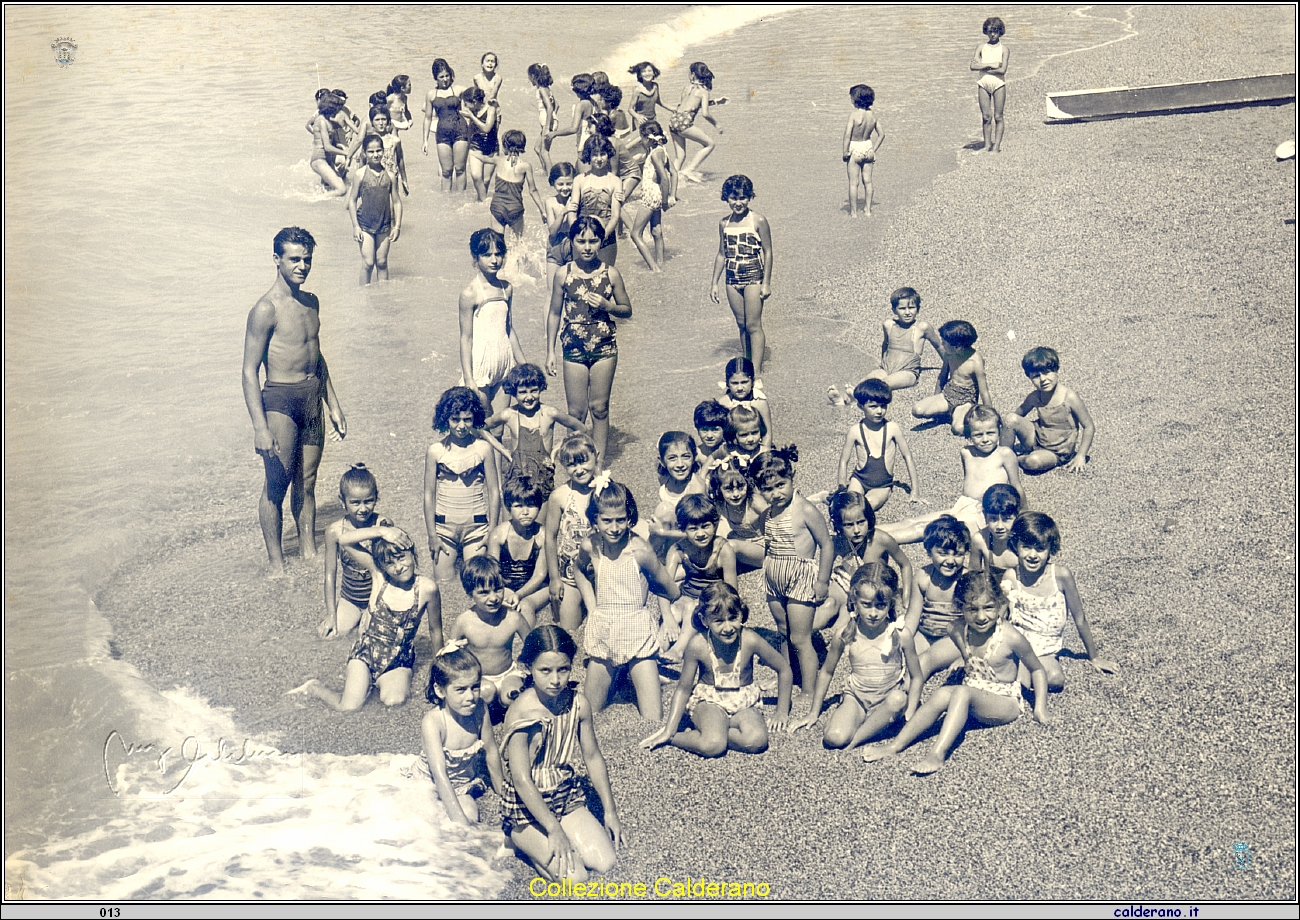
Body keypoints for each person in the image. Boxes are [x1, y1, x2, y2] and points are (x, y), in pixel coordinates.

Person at [863, 570, 1046, 773]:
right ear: (960, 607)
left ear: (1000, 604)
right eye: (972, 609)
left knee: (960, 691)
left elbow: (1037, 669)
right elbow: (971, 656)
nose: (981, 616)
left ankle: (937, 754)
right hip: (973, 694)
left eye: (988, 608)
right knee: (942, 693)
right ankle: (896, 745)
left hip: (1005, 701)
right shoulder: (957, 629)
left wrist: (1040, 708)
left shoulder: (1011, 637)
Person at [242, 228, 346, 573]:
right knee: (276, 484)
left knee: (308, 482)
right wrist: (259, 427)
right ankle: (276, 563)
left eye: (307, 259)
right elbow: (248, 371)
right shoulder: (265, 309)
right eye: (294, 259)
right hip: (280, 401)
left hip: (312, 397)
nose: (302, 266)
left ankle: (308, 553)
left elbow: (316, 356)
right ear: (277, 260)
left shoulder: (311, 302)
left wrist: (334, 404)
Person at [500, 625, 622, 882]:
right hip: (526, 808)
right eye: (545, 670)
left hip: (564, 796)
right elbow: (521, 779)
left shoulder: (578, 704)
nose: (555, 680)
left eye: (562, 669)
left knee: (605, 862)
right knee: (576, 878)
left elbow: (592, 757)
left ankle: (550, 841)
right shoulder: (521, 711)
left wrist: (609, 811)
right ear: (529, 667)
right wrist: (554, 830)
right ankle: (518, 837)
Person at [288, 536, 441, 710]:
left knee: (395, 702)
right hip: (366, 653)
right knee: (349, 708)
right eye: (390, 563)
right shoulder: (379, 577)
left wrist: (440, 670)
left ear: (413, 553)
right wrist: (382, 531)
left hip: (398, 660)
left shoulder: (427, 589)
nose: (398, 567)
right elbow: (344, 540)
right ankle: (313, 687)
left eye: (401, 558)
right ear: (382, 565)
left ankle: (376, 685)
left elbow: (435, 630)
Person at [642, 583, 791, 756]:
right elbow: (683, 689)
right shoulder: (698, 645)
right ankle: (677, 738)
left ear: (741, 614)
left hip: (744, 701)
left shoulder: (750, 640)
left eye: (733, 618)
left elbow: (784, 669)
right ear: (704, 620)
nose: (727, 628)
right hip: (709, 701)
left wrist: (781, 711)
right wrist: (669, 730)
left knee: (757, 741)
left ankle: (713, 730)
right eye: (718, 621)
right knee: (713, 745)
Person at [575, 477, 680, 719]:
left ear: (629, 517)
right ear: (595, 520)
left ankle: (632, 673)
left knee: (653, 717)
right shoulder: (591, 546)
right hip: (604, 631)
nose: (614, 528)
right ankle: (619, 676)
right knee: (589, 711)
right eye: (607, 521)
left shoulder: (641, 551)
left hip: (637, 632)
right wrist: (592, 608)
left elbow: (669, 588)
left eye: (620, 520)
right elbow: (578, 570)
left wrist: (662, 610)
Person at [791, 563, 921, 748]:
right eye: (866, 605)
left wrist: (911, 714)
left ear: (891, 603)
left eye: (881, 606)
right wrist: (814, 712)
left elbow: (916, 677)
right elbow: (827, 672)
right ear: (854, 599)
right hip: (857, 698)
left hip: (889, 699)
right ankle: (871, 725)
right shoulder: (845, 634)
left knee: (898, 700)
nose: (873, 613)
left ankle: (858, 738)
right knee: (833, 738)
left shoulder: (900, 634)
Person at [545, 217, 632, 466]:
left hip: (604, 347)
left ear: (601, 242)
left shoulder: (611, 273)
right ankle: (576, 461)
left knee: (600, 407)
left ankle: (599, 464)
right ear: (571, 241)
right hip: (573, 346)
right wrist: (550, 351)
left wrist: (608, 306)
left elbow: (627, 310)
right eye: (581, 241)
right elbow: (554, 313)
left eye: (593, 241)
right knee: (576, 412)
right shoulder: (563, 274)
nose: (587, 247)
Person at [1002, 512, 1119, 688]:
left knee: (1056, 678)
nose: (1032, 555)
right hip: (1019, 643)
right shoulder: (1012, 575)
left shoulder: (1061, 576)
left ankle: (1022, 679)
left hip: (1046, 648)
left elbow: (1079, 618)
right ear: (1015, 545)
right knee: (1019, 682)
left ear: (1050, 549)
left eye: (1040, 548)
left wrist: (1094, 657)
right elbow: (1001, 617)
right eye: (1026, 547)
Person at [751, 447, 834, 695]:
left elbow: (826, 544)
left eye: (780, 485)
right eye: (768, 489)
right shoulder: (769, 512)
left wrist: (822, 581)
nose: (776, 493)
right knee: (783, 633)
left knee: (800, 638)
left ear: (792, 477)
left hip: (800, 576)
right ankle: (787, 678)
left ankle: (808, 691)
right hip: (775, 575)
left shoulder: (804, 509)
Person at [320, 463, 411, 638]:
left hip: (378, 595)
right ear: (342, 501)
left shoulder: (383, 525)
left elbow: (394, 567)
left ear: (376, 497)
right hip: (350, 599)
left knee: (370, 635)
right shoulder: (334, 531)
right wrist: (331, 615)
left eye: (368, 501)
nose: (363, 509)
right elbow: (330, 575)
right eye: (355, 503)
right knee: (331, 635)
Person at [424, 386, 502, 587]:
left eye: (467, 420)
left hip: (476, 528)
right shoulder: (436, 451)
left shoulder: (483, 448)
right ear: (445, 419)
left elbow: (494, 492)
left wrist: (491, 531)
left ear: (474, 418)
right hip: (444, 528)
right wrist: (432, 535)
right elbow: (428, 495)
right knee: (444, 583)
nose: (461, 426)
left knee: (479, 583)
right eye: (455, 420)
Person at [419, 643, 504, 824]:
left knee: (469, 818)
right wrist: (459, 819)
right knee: (425, 822)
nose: (470, 697)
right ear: (440, 690)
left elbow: (491, 752)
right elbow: (439, 773)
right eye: (460, 689)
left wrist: (503, 793)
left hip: (461, 786)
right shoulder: (434, 722)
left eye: (475, 687)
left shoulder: (480, 709)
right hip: (428, 784)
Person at [819, 487, 913, 631]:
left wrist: (906, 598)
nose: (856, 530)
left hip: (873, 587)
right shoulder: (838, 542)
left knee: (843, 627)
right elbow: (825, 572)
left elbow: (905, 564)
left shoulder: (881, 540)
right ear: (839, 525)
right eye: (849, 525)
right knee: (828, 605)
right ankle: (797, 636)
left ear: (869, 519)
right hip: (844, 582)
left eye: (861, 522)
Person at [486, 362, 586, 495]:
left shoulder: (550, 413)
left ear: (541, 388)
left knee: (543, 514)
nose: (529, 397)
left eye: (534, 391)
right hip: (516, 479)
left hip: (543, 478)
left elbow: (580, 428)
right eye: (522, 392)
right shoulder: (509, 415)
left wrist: (557, 449)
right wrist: (503, 450)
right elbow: (481, 427)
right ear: (514, 393)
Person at [661, 495, 738, 662]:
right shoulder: (678, 550)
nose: (701, 533)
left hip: (713, 599)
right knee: (675, 610)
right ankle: (656, 653)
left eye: (705, 526)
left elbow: (732, 591)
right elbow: (664, 586)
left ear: (715, 524)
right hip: (687, 595)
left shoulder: (723, 550)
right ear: (683, 529)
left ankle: (678, 649)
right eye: (693, 528)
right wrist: (667, 616)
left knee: (691, 607)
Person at [448, 556, 532, 707]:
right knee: (486, 692)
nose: (493, 598)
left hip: (508, 673)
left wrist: (527, 666)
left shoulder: (513, 618)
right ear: (469, 593)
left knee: (513, 696)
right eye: (484, 592)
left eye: (498, 589)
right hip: (478, 678)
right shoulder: (464, 622)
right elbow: (450, 657)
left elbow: (533, 645)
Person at [459, 228, 526, 414]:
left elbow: (509, 329)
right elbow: (466, 338)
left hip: (504, 361)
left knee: (498, 426)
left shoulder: (507, 288)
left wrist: (523, 364)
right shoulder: (469, 293)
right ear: (475, 257)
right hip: (480, 364)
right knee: (482, 425)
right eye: (487, 255)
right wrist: (468, 378)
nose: (494, 260)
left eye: (498, 254)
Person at [710, 175, 773, 374]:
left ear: (750, 197)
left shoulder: (758, 220)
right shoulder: (724, 224)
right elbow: (721, 254)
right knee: (742, 324)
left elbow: (768, 252)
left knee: (754, 325)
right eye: (733, 198)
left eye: (743, 198)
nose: (738, 203)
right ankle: (747, 367)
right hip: (732, 279)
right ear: (726, 198)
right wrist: (714, 283)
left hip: (754, 277)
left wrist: (766, 283)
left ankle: (757, 371)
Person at [1005, 346, 1095, 473]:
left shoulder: (1069, 397)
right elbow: (1016, 416)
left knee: (1033, 462)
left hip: (1057, 451)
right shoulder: (1035, 396)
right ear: (1029, 377)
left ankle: (1015, 459)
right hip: (1036, 437)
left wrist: (1080, 455)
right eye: (1036, 376)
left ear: (1056, 370)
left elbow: (1089, 426)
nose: (1043, 379)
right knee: (1010, 419)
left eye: (1047, 373)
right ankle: (1003, 455)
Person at [544, 433, 600, 633]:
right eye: (571, 465)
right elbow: (549, 538)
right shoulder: (559, 496)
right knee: (568, 629)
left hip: (602, 572)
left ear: (596, 456)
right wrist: (554, 578)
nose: (579, 469)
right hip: (570, 574)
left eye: (584, 461)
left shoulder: (605, 489)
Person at [837, 378, 919, 511]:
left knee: (868, 506)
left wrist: (915, 491)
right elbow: (843, 461)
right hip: (859, 479)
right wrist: (841, 488)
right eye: (873, 406)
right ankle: (824, 497)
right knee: (850, 506)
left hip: (883, 485)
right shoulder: (855, 431)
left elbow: (908, 457)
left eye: (883, 406)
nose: (879, 411)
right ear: (860, 406)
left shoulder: (892, 429)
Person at [903, 515, 972, 653]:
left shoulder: (967, 579)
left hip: (953, 638)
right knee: (905, 650)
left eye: (958, 554)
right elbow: (912, 617)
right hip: (925, 633)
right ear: (929, 552)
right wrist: (904, 638)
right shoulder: (923, 577)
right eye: (943, 553)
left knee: (927, 660)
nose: (951, 561)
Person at [488, 473, 550, 627]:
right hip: (506, 585)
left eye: (531, 505)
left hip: (536, 587)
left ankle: (527, 644)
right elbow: (493, 572)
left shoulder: (543, 536)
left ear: (540, 506)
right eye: (518, 506)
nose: (525, 511)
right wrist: (506, 592)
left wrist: (519, 594)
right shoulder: (498, 535)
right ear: (509, 508)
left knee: (526, 605)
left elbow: (540, 575)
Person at [910, 320, 991, 436]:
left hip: (965, 400)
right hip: (948, 394)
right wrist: (936, 397)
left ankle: (964, 416)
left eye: (944, 342)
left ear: (957, 347)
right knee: (917, 410)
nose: (941, 344)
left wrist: (989, 418)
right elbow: (942, 377)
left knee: (958, 429)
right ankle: (947, 414)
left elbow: (984, 392)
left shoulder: (975, 361)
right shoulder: (949, 354)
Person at [863, 286, 942, 394]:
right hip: (886, 368)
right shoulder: (889, 325)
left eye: (911, 307)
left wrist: (950, 366)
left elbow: (939, 346)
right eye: (902, 308)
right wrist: (882, 364)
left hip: (908, 372)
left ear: (918, 309)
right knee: (866, 382)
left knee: (883, 384)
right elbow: (885, 345)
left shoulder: (922, 327)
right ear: (894, 310)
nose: (907, 312)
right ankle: (844, 400)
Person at [347, 134, 402, 285]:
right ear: (364, 153)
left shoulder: (390, 176)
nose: (375, 154)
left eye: (378, 150)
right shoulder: (360, 175)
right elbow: (351, 201)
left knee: (382, 262)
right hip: (364, 224)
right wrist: (355, 226)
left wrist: (397, 226)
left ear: (383, 151)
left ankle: (383, 297)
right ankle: (363, 295)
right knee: (368, 263)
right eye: (371, 152)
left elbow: (397, 202)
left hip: (384, 224)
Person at [625, 120, 677, 272]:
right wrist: (671, 195)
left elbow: (665, 177)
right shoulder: (662, 151)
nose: (641, 141)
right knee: (656, 231)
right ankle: (660, 264)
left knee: (635, 234)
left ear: (647, 139)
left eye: (641, 138)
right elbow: (674, 173)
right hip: (658, 194)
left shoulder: (654, 154)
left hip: (651, 195)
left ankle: (654, 268)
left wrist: (667, 201)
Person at [647, 431, 708, 560]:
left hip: (695, 545)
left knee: (664, 510)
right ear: (662, 461)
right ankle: (648, 557)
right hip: (672, 540)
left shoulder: (696, 488)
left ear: (694, 457)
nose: (680, 464)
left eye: (686, 456)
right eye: (672, 458)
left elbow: (698, 532)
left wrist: (662, 533)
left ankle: (647, 560)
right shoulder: (665, 478)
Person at [569, 137, 623, 265]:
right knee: (581, 276)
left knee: (604, 277)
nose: (599, 159)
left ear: (608, 154)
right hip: (582, 236)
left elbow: (615, 216)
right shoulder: (580, 180)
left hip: (606, 237)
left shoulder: (615, 181)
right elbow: (572, 211)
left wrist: (601, 237)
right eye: (594, 155)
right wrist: (576, 234)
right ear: (588, 155)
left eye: (603, 154)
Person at [708, 462, 766, 573]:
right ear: (719, 488)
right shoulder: (720, 505)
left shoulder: (754, 502)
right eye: (728, 489)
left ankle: (705, 572)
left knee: (729, 546)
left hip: (762, 549)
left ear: (747, 483)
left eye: (740, 487)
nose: (736, 494)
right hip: (741, 544)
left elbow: (779, 522)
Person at [423, 58, 470, 192]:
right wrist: (425, 141)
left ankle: (462, 200)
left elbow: (476, 96)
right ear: (435, 78)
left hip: (460, 130)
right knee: (446, 171)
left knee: (460, 169)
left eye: (447, 76)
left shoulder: (459, 89)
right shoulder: (431, 94)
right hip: (442, 133)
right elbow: (427, 118)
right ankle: (446, 203)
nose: (445, 79)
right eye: (441, 77)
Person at [489, 130, 547, 237]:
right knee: (518, 244)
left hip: (498, 206)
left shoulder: (498, 160)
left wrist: (472, 151)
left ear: (505, 146)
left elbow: (482, 158)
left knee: (497, 242)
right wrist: (543, 211)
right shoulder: (525, 166)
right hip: (515, 208)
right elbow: (533, 191)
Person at [670, 62, 721, 181]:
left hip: (674, 121)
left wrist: (716, 102)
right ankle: (690, 170)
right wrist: (716, 124)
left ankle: (672, 181)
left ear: (693, 74)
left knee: (680, 157)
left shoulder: (686, 88)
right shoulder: (704, 91)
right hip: (685, 123)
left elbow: (690, 104)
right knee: (710, 144)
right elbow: (705, 113)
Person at [842, 84, 884, 217]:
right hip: (868, 147)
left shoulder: (854, 115)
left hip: (855, 148)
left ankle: (853, 213)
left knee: (854, 183)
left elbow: (847, 135)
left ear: (856, 99)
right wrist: (874, 149)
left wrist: (845, 152)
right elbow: (882, 134)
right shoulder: (873, 116)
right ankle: (868, 210)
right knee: (868, 181)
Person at [970, 16, 1010, 154]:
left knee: (998, 116)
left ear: (1000, 32)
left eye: (995, 31)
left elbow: (1002, 70)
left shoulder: (1004, 49)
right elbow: (972, 66)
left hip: (998, 84)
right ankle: (987, 145)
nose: (992, 34)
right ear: (986, 32)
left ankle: (996, 146)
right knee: (986, 117)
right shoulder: (981, 47)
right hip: (983, 83)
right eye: (990, 31)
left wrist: (983, 67)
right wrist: (991, 64)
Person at [716, 357, 772, 449]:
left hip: (757, 448)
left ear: (753, 381)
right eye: (734, 383)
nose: (740, 388)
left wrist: (764, 456)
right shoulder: (724, 402)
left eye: (744, 382)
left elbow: (767, 435)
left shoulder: (759, 402)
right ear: (727, 384)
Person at [967, 482, 1021, 576]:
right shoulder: (981, 540)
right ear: (984, 515)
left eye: (1006, 519)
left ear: (1017, 516)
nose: (1000, 526)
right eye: (993, 519)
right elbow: (973, 576)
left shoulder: (1023, 540)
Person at [462, 86, 500, 202]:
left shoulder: (491, 109)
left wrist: (472, 117)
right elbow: (470, 130)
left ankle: (480, 203)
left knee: (486, 180)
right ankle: (484, 203)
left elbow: (487, 128)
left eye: (466, 103)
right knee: (476, 176)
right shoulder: (472, 111)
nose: (465, 106)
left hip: (491, 147)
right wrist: (467, 146)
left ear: (474, 102)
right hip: (475, 147)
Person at [307, 93, 349, 196]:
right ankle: (313, 201)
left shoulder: (327, 120)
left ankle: (322, 208)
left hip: (325, 159)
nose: (339, 111)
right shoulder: (321, 121)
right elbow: (327, 146)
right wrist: (345, 152)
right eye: (337, 109)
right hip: (319, 159)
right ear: (330, 108)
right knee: (341, 189)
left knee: (329, 187)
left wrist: (340, 145)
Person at [545, 162, 577, 287]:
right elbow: (552, 231)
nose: (565, 188)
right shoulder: (550, 202)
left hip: (573, 245)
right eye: (560, 184)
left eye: (569, 183)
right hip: (555, 245)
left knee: (572, 287)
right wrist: (563, 212)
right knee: (552, 290)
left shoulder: (576, 201)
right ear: (553, 183)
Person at [711, 404, 766, 476]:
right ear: (733, 435)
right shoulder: (728, 449)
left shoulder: (764, 452)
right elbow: (711, 458)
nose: (750, 439)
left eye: (754, 433)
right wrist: (703, 478)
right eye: (744, 435)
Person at [528, 64, 559, 173]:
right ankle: (545, 170)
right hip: (549, 123)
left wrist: (547, 127)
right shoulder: (547, 89)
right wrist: (554, 118)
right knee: (537, 148)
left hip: (547, 124)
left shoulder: (541, 89)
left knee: (544, 152)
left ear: (533, 76)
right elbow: (557, 105)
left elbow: (550, 108)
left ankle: (551, 178)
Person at [626, 61, 667, 127]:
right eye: (643, 71)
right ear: (640, 75)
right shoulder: (637, 90)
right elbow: (630, 109)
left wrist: (674, 109)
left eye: (649, 71)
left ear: (654, 73)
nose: (647, 74)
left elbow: (659, 102)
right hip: (640, 121)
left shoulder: (655, 86)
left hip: (653, 119)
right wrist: (637, 116)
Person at [693, 399, 729, 465]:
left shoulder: (730, 450)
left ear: (724, 429)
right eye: (704, 430)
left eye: (715, 430)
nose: (709, 436)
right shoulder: (697, 454)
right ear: (697, 430)